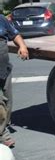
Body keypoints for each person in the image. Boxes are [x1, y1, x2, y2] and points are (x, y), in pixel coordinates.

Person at [0, 14, 29, 147]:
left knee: (8, 100)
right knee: (0, 103)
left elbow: (15, 34)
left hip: (4, 68)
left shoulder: (1, 19)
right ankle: (2, 133)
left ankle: (4, 125)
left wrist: (22, 46)